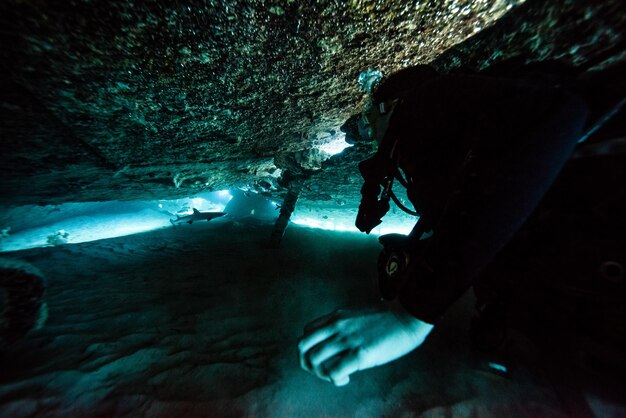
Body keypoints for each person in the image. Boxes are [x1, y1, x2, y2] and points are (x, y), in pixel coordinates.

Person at [297, 59, 625, 387]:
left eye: (370, 122)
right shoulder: (435, 139)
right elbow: (477, 216)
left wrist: (410, 314)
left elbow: (558, 113)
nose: (371, 135)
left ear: (389, 107)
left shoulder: (425, 100)